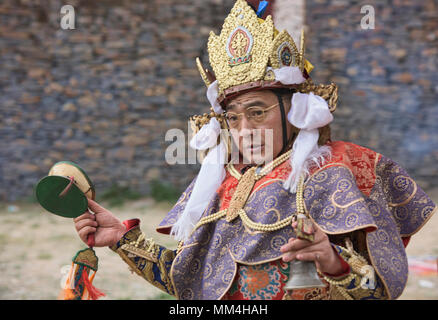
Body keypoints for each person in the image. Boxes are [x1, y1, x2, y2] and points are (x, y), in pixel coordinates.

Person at [73, 0, 436, 300]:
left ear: (294, 113)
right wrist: (121, 238)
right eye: (232, 117)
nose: (244, 129)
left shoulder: (339, 170)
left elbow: (375, 291)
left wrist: (332, 262)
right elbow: (187, 282)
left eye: (257, 112)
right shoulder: (221, 184)